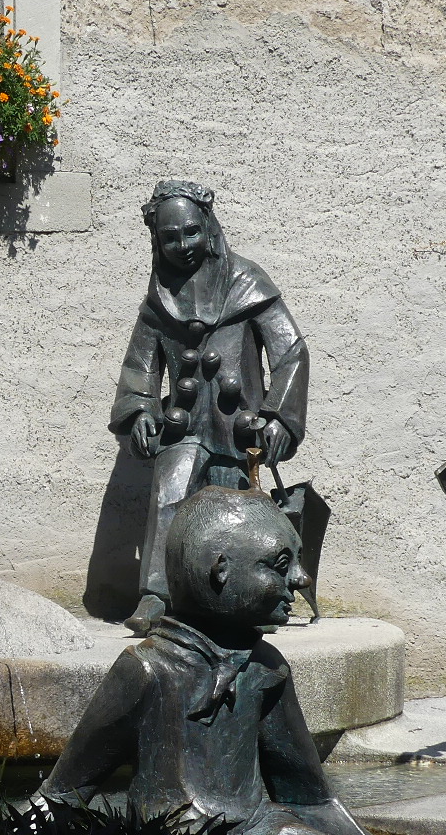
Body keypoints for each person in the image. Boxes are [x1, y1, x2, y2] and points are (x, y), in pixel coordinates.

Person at [39, 480, 441, 835]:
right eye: (280, 564)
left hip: (257, 831)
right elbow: (64, 791)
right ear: (220, 572)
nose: (300, 580)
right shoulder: (146, 671)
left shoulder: (267, 669)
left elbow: (310, 798)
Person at [110, 180, 309, 635]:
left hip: (237, 426)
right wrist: (140, 412)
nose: (182, 245)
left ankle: (245, 602)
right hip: (183, 425)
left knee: (236, 516)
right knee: (169, 494)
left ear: (209, 227)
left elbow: (291, 352)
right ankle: (157, 595)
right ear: (156, 241)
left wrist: (279, 417)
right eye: (170, 237)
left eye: (191, 232)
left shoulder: (248, 283)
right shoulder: (158, 297)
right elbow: (139, 366)